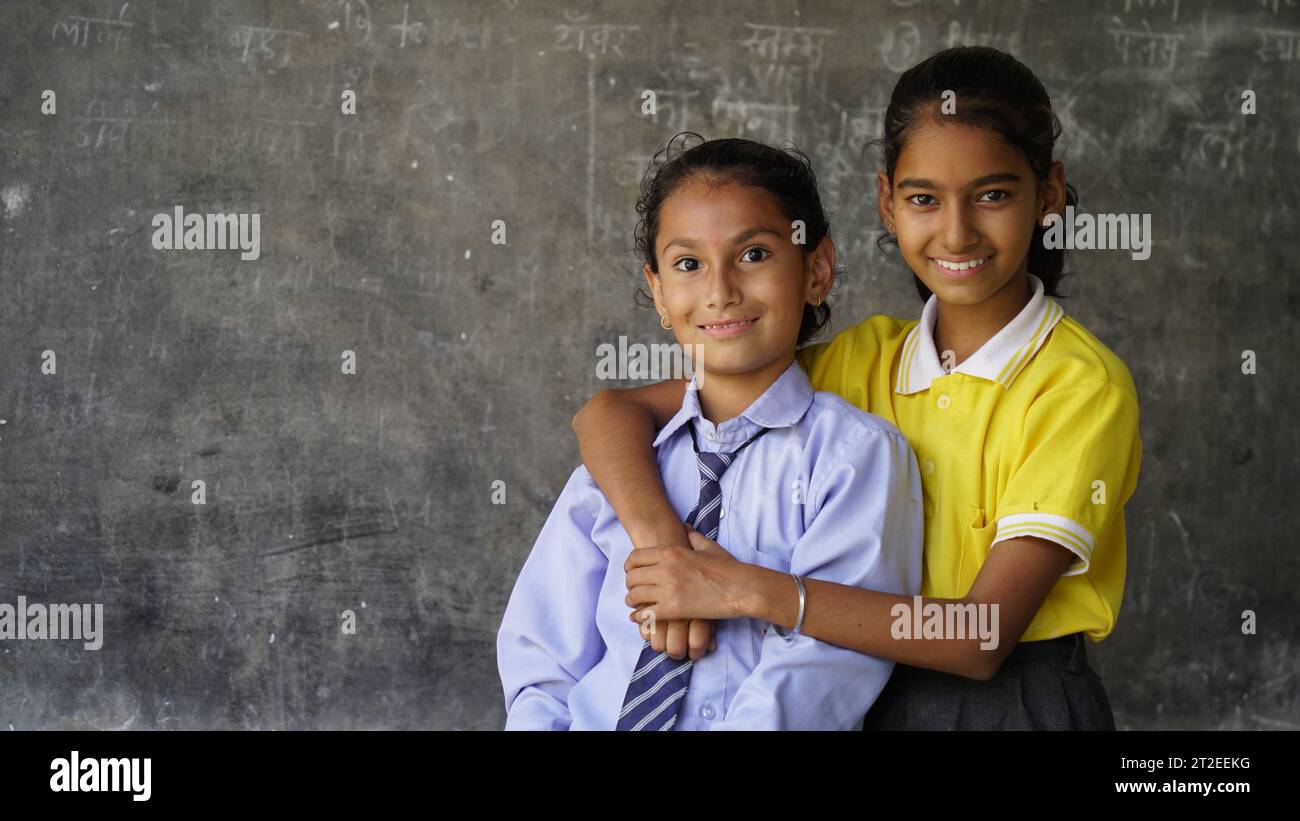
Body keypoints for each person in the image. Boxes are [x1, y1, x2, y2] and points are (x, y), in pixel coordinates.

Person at [574, 47, 1142, 730]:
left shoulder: (1078, 386)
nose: (956, 229)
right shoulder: (860, 359)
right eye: (924, 198)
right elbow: (613, 412)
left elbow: (980, 636)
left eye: (993, 194)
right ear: (887, 202)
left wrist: (745, 589)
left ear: (1048, 193)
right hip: (861, 694)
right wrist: (664, 547)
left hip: (1011, 703)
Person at [498, 135, 923, 730]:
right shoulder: (621, 473)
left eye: (754, 254)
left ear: (816, 270)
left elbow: (825, 663)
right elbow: (542, 658)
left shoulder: (852, 458)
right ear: (659, 293)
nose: (720, 291)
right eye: (688, 264)